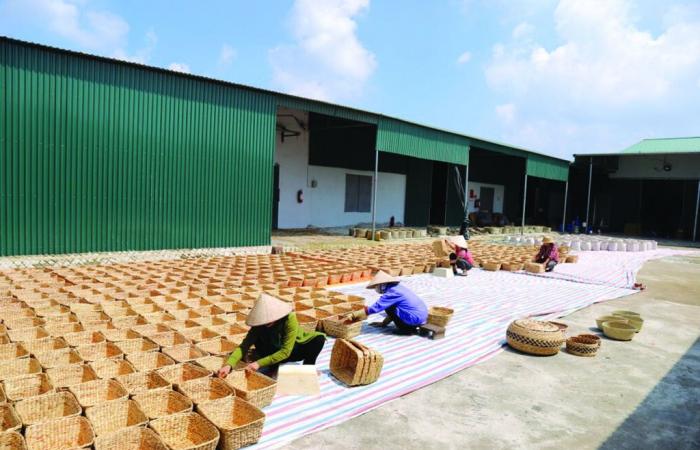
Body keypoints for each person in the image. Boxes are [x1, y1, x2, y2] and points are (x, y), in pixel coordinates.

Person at [217, 293, 326, 379]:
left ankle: (308, 369)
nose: (266, 322)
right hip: (272, 348)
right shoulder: (259, 324)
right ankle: (273, 366)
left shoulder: (289, 318)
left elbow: (286, 351)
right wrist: (229, 365)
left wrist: (259, 363)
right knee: (260, 339)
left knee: (319, 339)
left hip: (291, 348)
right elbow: (244, 346)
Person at [350, 271, 428, 335]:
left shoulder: (392, 292)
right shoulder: (397, 288)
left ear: (382, 285)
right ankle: (409, 326)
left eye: (376, 286)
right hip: (421, 317)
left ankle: (406, 330)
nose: (375, 289)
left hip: (414, 318)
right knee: (390, 307)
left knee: (388, 307)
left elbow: (375, 308)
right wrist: (384, 323)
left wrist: (354, 314)